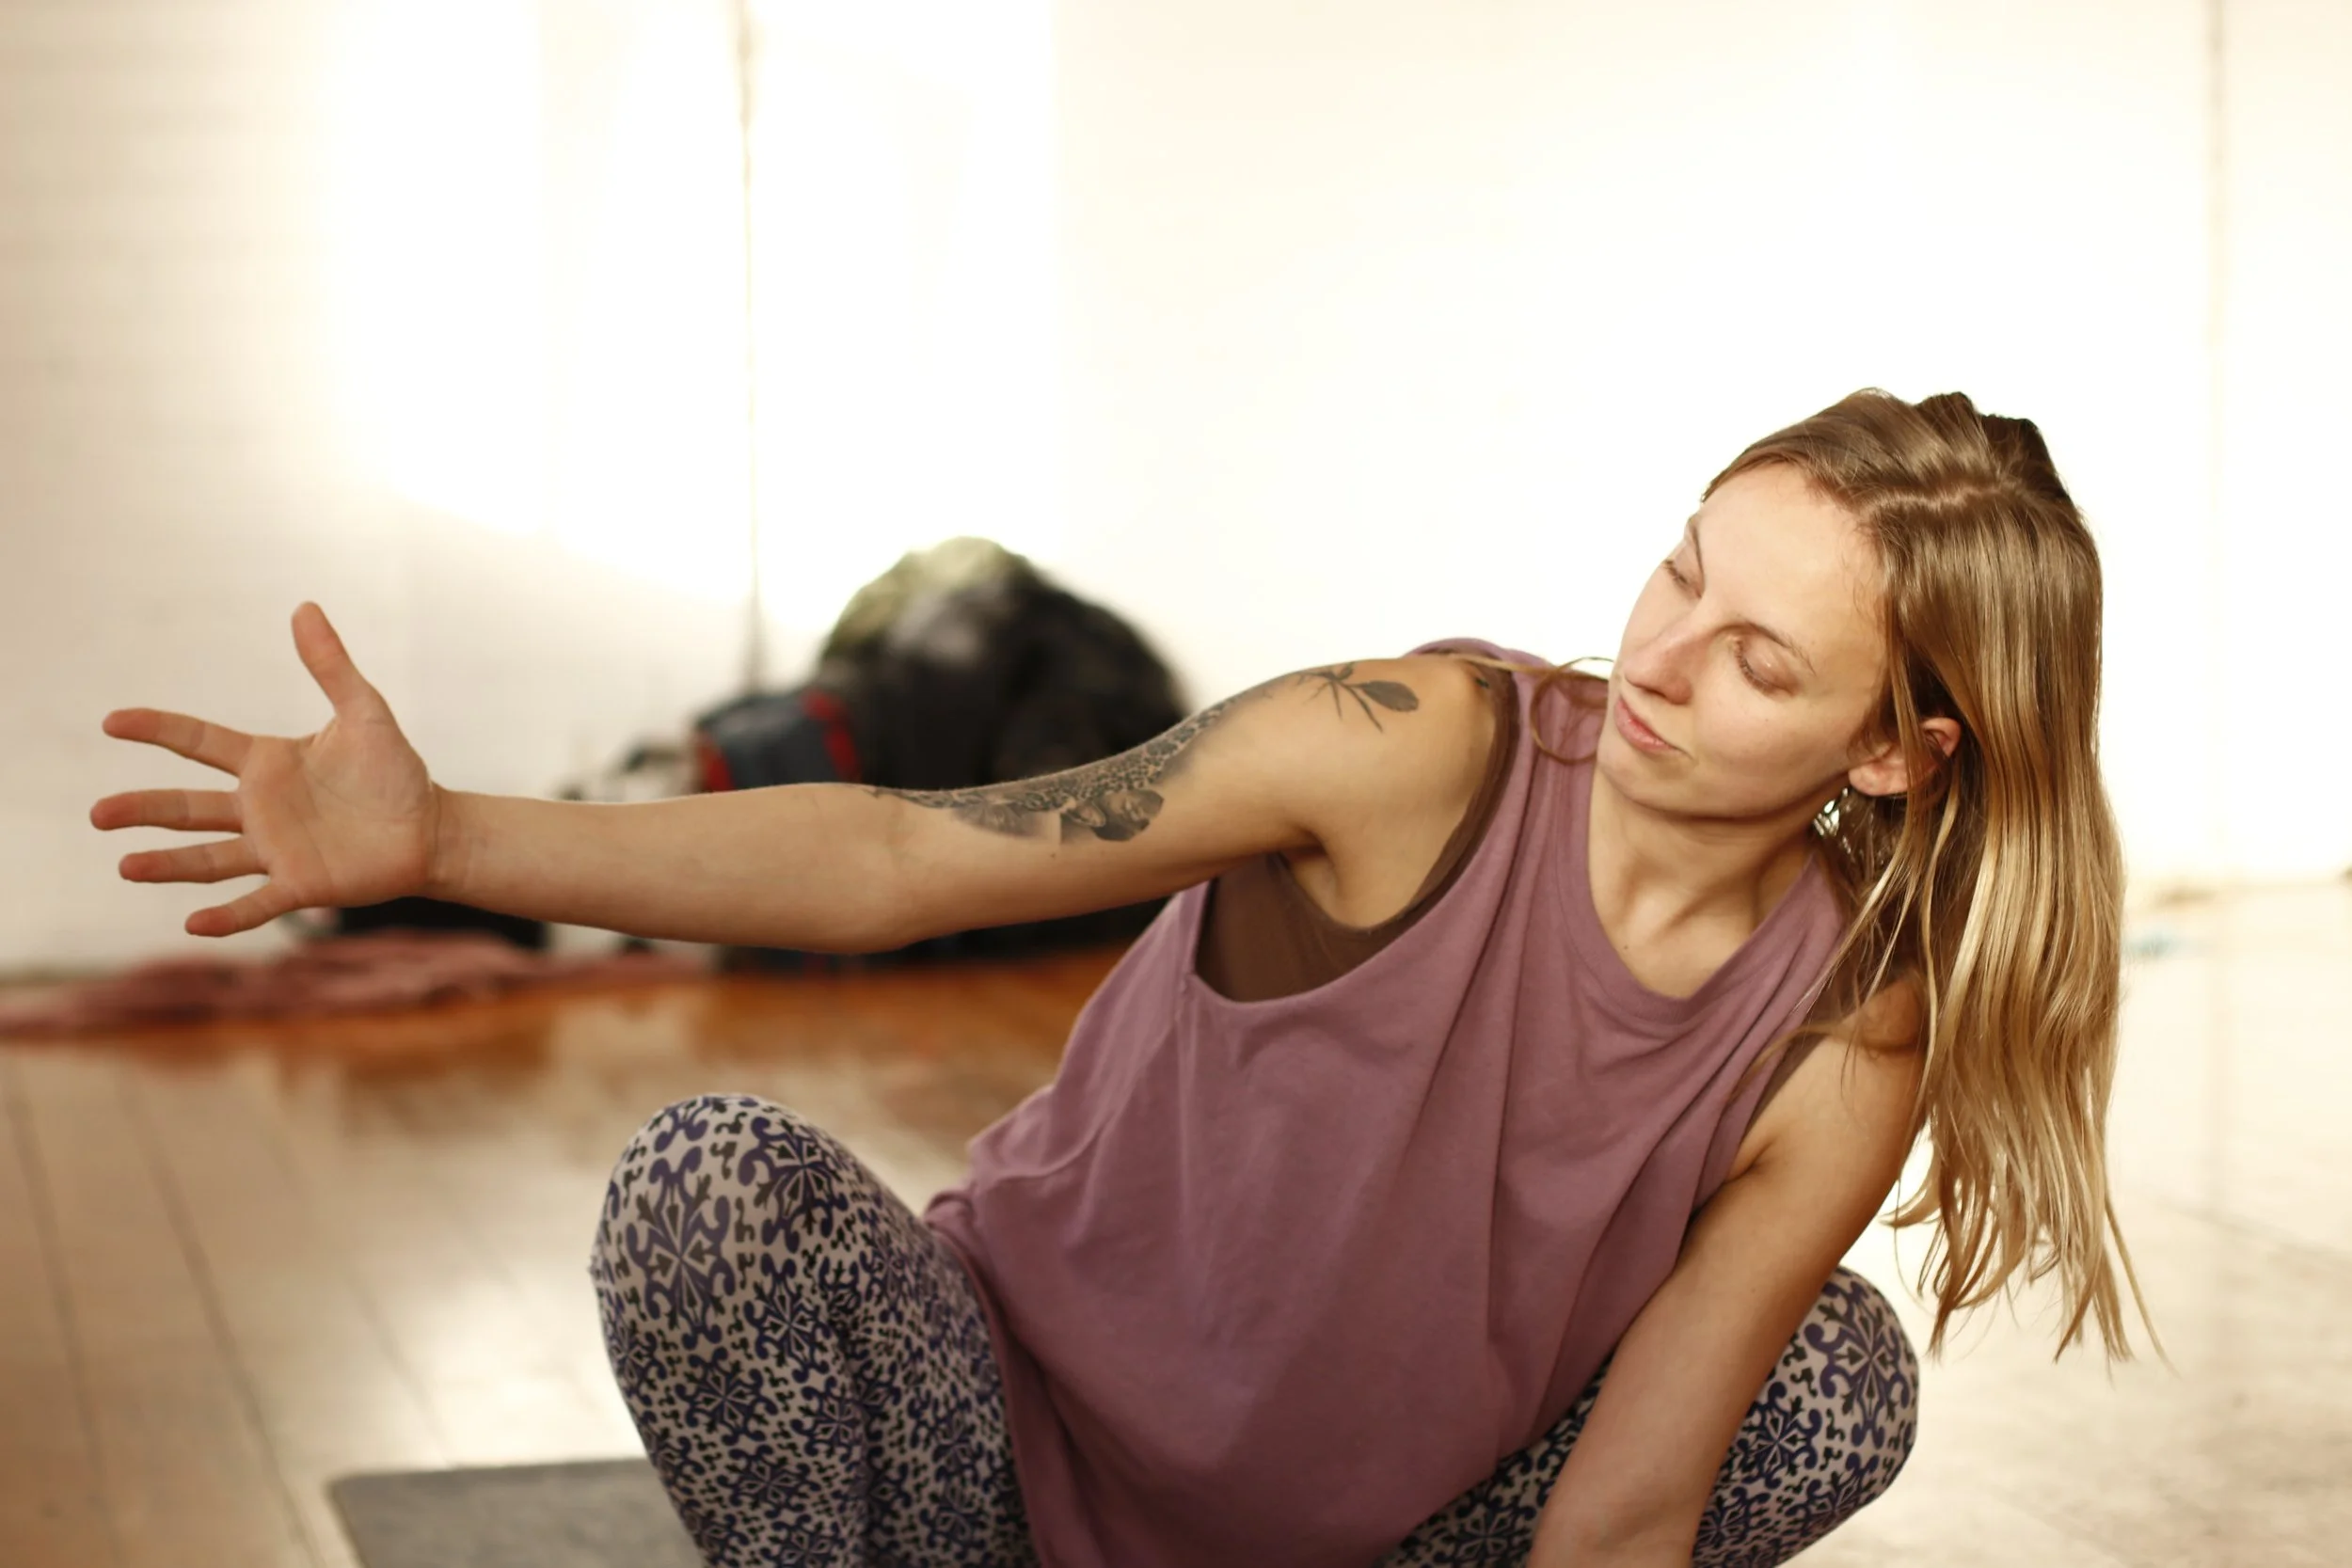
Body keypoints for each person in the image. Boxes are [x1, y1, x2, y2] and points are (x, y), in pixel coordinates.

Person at [93, 387, 2162, 1568]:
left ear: (1895, 749)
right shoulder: (1410, 746)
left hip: (1377, 1538)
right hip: (1004, 1458)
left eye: (1761, 660)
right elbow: (905, 852)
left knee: (1833, 1378)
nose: (1658, 654)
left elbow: (1620, 1513)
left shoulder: (1837, 1029)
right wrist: (451, 840)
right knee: (704, 1183)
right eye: (1679, 569)